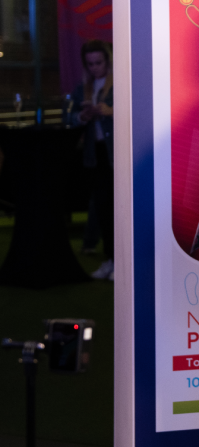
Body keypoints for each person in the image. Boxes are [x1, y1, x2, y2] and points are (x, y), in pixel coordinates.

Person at [69, 40, 114, 280]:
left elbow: (137, 113)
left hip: (116, 155)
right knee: (103, 209)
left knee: (116, 210)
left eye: (99, 62)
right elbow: (70, 117)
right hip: (95, 154)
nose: (95, 67)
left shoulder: (119, 84)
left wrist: (112, 111)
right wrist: (82, 115)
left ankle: (119, 261)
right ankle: (110, 260)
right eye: (90, 64)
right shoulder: (83, 87)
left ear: (108, 61)